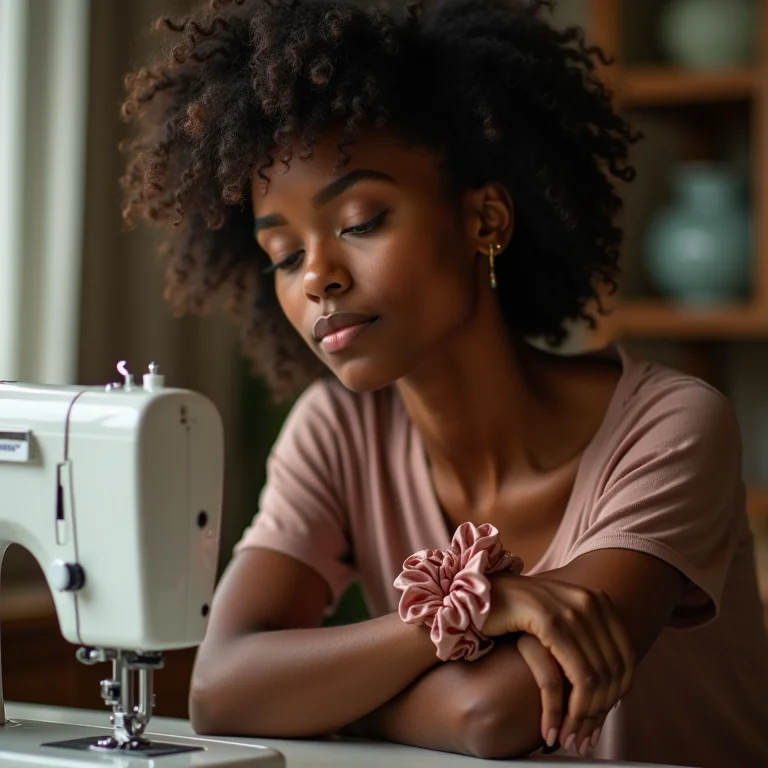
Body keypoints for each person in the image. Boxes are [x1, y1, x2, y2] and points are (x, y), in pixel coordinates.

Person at [119, 0, 768, 764]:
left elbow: (496, 715)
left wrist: (329, 709)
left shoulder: (672, 428)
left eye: (360, 220)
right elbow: (220, 690)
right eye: (286, 256)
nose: (318, 278)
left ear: (484, 220)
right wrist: (471, 612)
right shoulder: (337, 429)